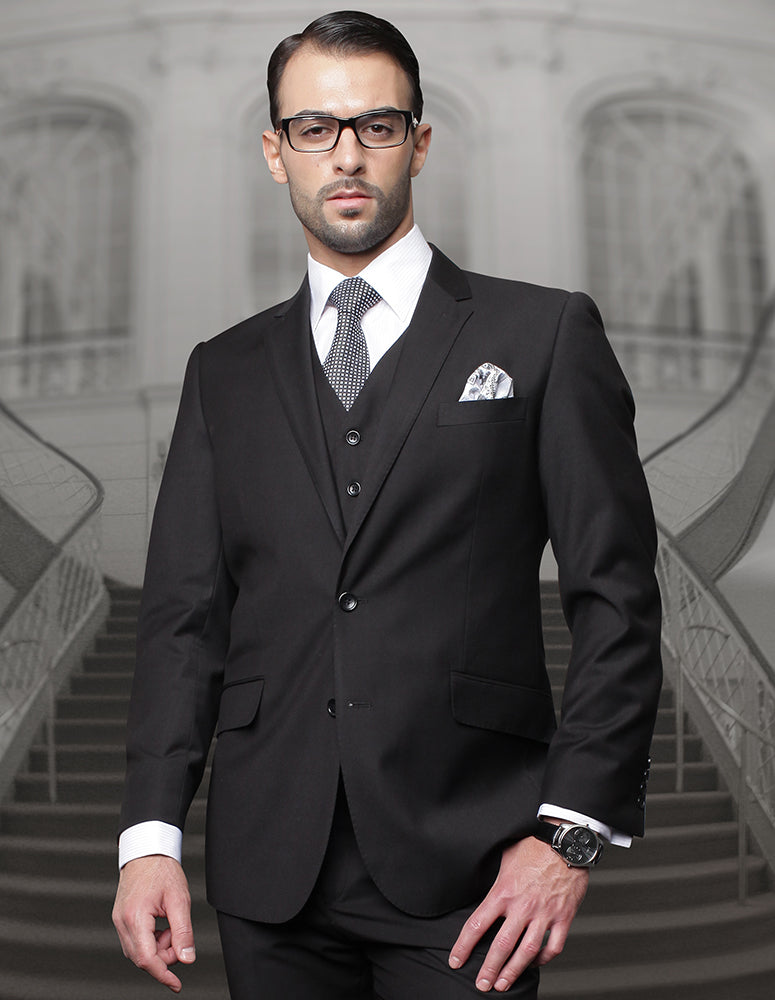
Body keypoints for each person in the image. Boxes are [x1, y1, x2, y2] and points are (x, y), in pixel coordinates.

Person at [112, 10, 662, 999]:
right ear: (276, 153)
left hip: (472, 863)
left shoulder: (542, 335)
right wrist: (149, 837)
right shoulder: (222, 372)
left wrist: (568, 835)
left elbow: (616, 602)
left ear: (419, 140)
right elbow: (182, 620)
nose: (347, 154)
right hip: (268, 864)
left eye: (376, 124)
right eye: (314, 129)